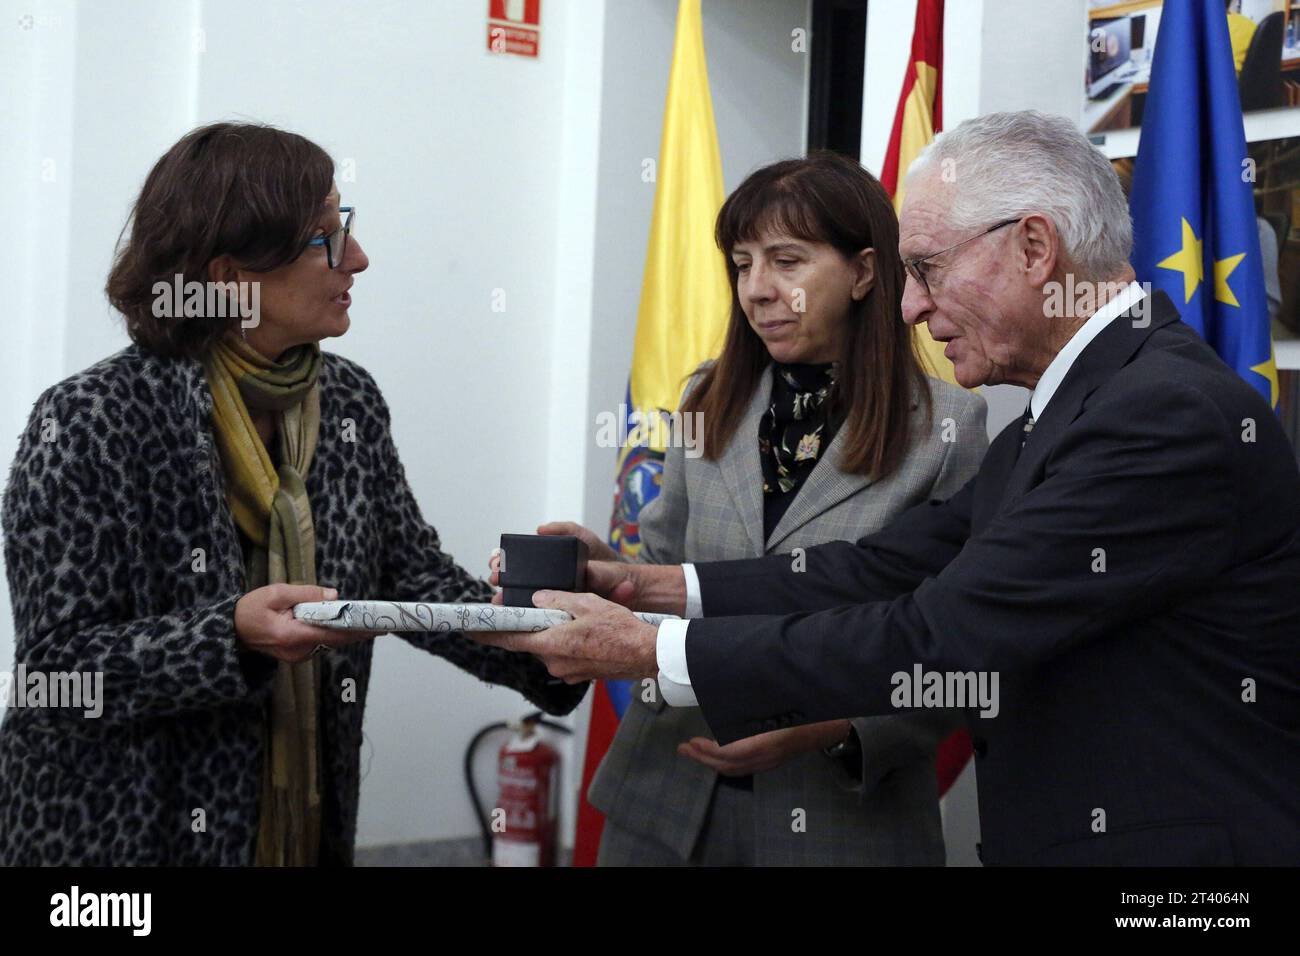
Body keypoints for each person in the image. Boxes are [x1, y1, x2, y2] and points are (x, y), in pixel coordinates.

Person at [479, 111, 1300, 866]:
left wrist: (648, 647)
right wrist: (642, 585)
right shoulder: (1066, 412)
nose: (911, 306)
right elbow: (880, 567)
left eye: (928, 268)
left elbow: (941, 632)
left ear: (1034, 249)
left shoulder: (1159, 415)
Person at [0, 122, 585, 866]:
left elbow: (409, 579)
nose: (358, 258)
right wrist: (230, 636)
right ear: (230, 274)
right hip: (120, 840)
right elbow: (55, 672)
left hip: (300, 830)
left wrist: (554, 642)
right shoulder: (90, 418)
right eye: (324, 238)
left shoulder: (346, 400)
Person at [536, 154, 986, 866]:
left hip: (841, 818)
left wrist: (835, 729)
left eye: (786, 261)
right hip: (667, 795)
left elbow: (957, 645)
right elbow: (661, 574)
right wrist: (609, 570)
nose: (757, 291)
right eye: (742, 265)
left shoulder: (947, 428)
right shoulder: (707, 398)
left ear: (865, 273)